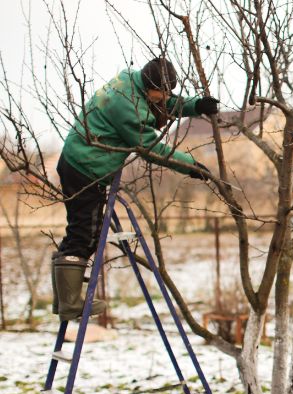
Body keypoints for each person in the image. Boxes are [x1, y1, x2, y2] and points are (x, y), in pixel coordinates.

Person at [52, 57, 218, 321]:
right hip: (86, 168)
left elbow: (160, 105)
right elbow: (151, 149)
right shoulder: (128, 108)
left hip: (80, 161)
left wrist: (195, 105)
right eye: (161, 92)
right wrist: (190, 166)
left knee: (81, 231)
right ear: (149, 85)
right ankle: (70, 303)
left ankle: (62, 300)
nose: (164, 97)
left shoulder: (132, 80)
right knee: (84, 234)